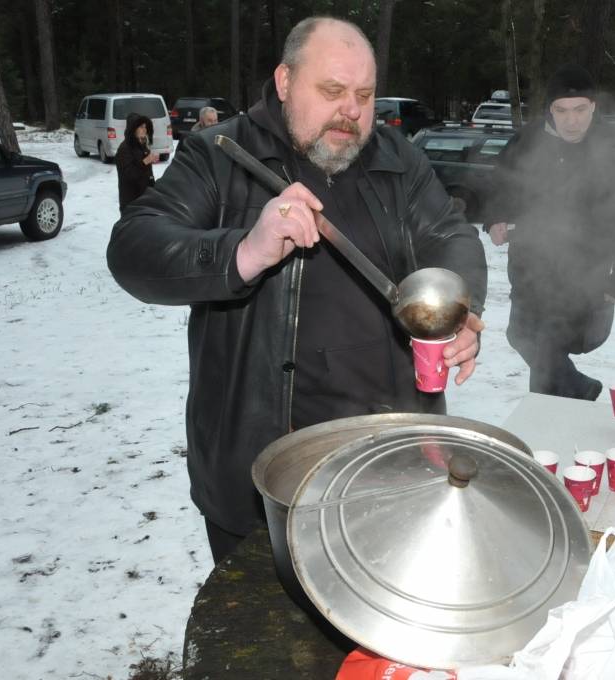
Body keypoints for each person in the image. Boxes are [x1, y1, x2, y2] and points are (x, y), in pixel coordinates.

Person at [106, 17, 487, 564]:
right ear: (284, 81)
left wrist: (459, 305)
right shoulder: (220, 154)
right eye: (331, 91)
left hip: (390, 458)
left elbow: (451, 237)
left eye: (364, 94)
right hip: (263, 470)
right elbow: (133, 247)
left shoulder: (396, 159)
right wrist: (244, 251)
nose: (352, 111)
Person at [482, 64, 615, 401]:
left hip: (586, 275)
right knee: (521, 336)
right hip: (530, 267)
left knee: (547, 348)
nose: (571, 120)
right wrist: (495, 218)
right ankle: (574, 393)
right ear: (550, 110)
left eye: (580, 110)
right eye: (561, 110)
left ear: (593, 107)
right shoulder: (528, 140)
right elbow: (499, 184)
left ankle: (553, 418)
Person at [115, 112, 159, 212]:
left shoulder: (141, 145)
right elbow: (129, 175)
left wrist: (152, 188)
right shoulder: (124, 149)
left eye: (145, 127)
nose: (145, 129)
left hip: (144, 198)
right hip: (132, 202)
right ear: (133, 129)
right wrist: (145, 162)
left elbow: (145, 172)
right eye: (141, 127)